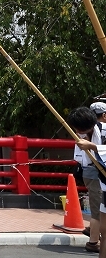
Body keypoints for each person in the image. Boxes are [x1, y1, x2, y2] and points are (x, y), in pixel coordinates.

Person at [69, 105, 106, 253]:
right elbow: (80, 158)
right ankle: (93, 242)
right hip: (91, 173)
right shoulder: (78, 134)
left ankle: (95, 236)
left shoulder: (103, 129)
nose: (78, 132)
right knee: (98, 209)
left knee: (99, 210)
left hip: (102, 173)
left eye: (80, 129)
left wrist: (92, 147)